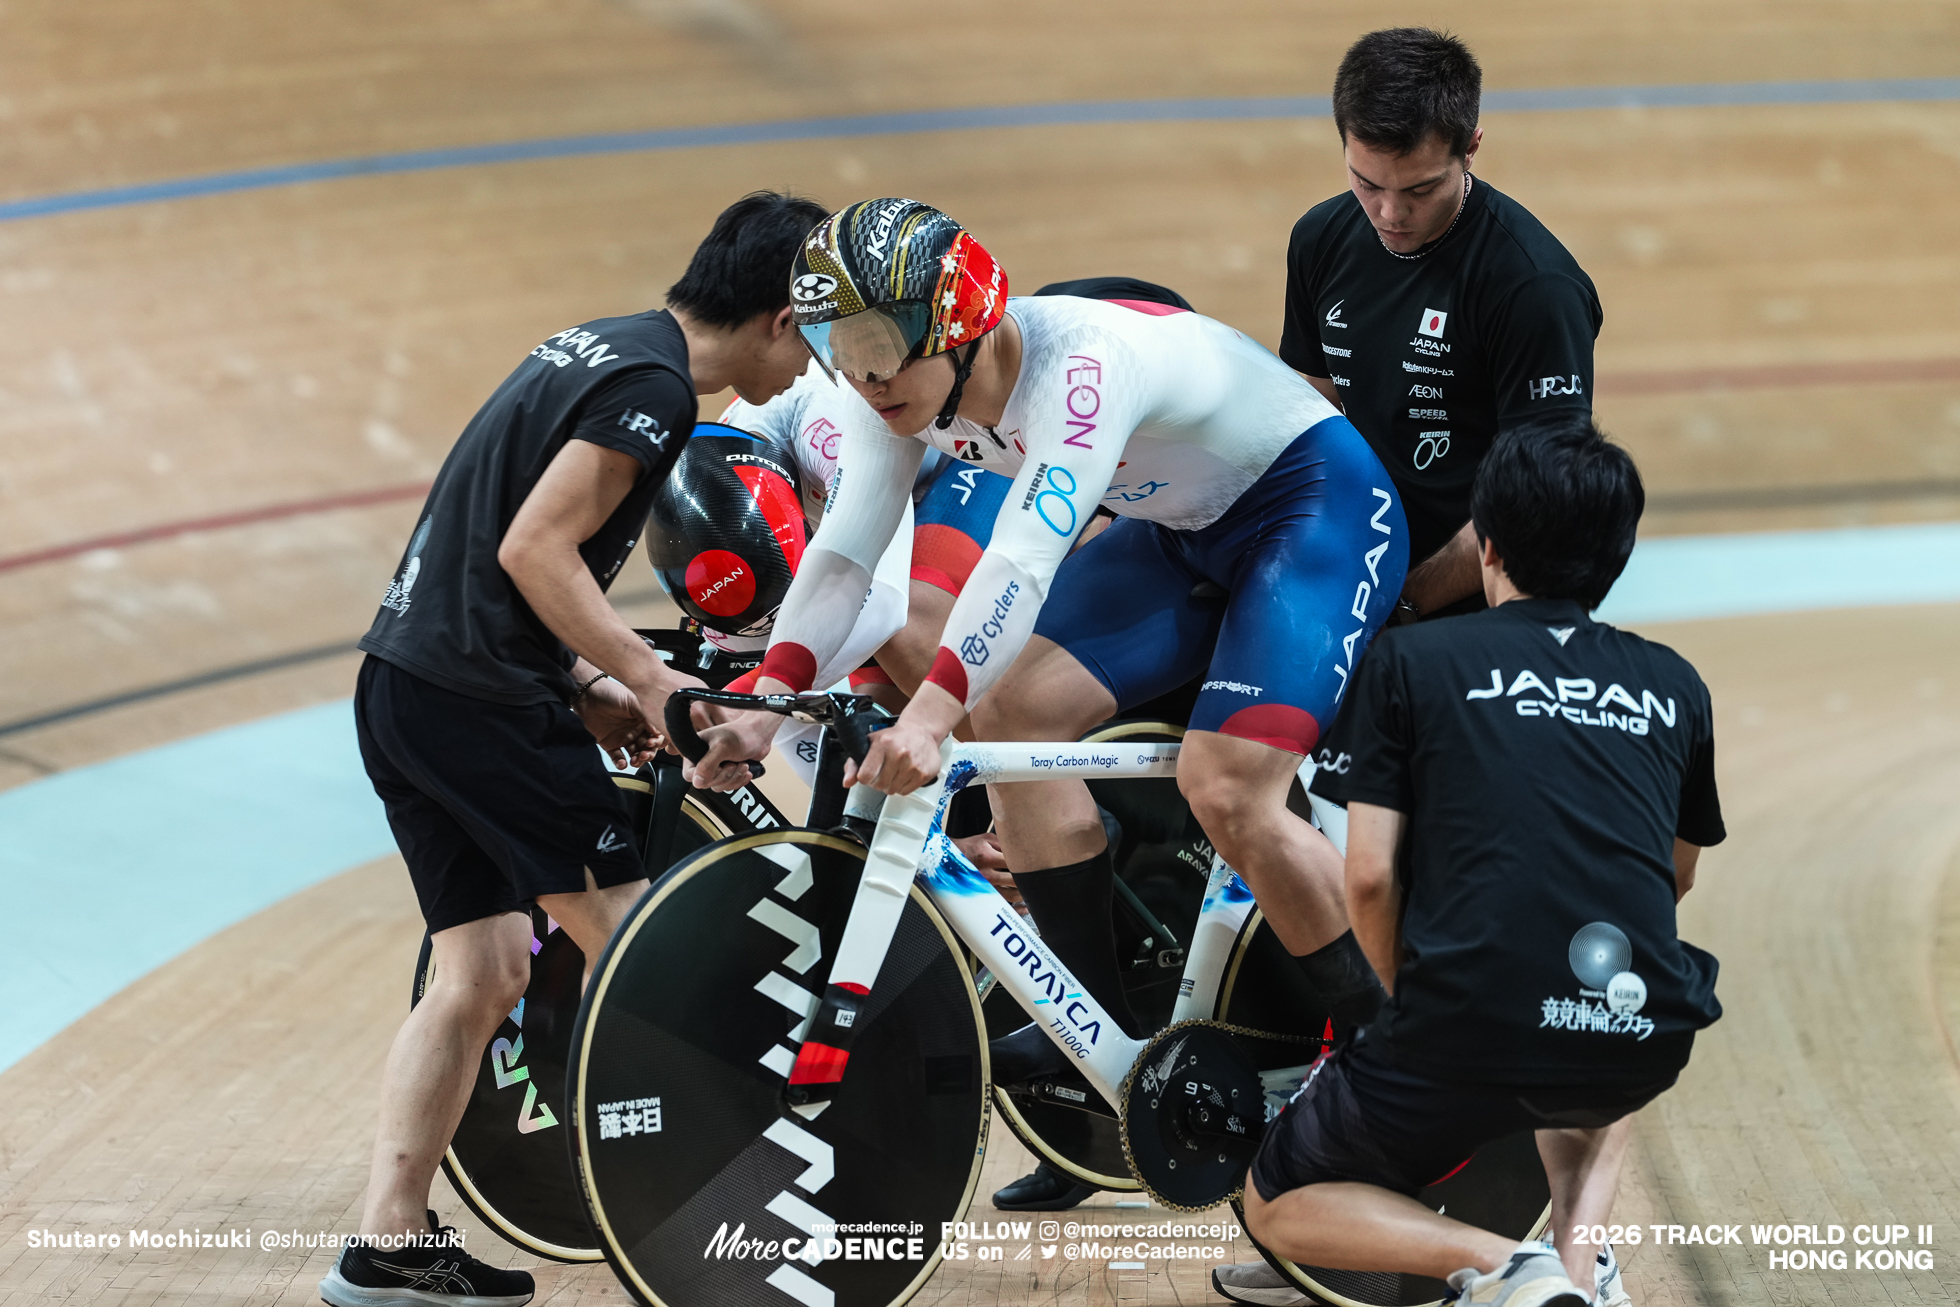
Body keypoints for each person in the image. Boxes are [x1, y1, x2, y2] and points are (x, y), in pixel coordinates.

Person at [690, 200, 1409, 1151]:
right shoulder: (897, 393)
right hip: (1183, 525)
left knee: (1228, 789)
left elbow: (1020, 564)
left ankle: (1391, 1062)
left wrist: (928, 717)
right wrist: (762, 711)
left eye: (875, 344)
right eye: (835, 346)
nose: (859, 376)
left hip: (1310, 502)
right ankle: (1104, 1048)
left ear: (958, 320)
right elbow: (842, 558)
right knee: (1014, 711)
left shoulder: (1079, 368)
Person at [319, 190, 828, 1307]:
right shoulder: (652, 389)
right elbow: (533, 549)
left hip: (403, 685)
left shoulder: (601, 345)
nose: (819, 366)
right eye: (821, 333)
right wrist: (654, 679)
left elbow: (480, 562)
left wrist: (587, 683)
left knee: (484, 971)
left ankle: (386, 1243)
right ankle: (718, 1230)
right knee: (645, 950)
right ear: (781, 315)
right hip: (480, 704)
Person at [1239, 416, 1724, 1307]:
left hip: (1464, 1023)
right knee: (1614, 1019)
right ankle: (1581, 1271)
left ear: (1488, 547)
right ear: (1615, 558)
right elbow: (1672, 877)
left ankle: (1510, 1265)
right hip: (1638, 1031)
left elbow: (1373, 875)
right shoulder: (1676, 683)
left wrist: (1401, 1003)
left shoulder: (1412, 660)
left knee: (1275, 1201)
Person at [1279, 27, 1601, 624]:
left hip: (1476, 604)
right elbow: (1310, 412)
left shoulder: (1535, 290)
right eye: (1366, 183)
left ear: (1471, 146)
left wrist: (1402, 602)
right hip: (1356, 576)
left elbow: (1539, 497)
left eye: (1421, 188)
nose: (1390, 213)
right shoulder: (1320, 238)